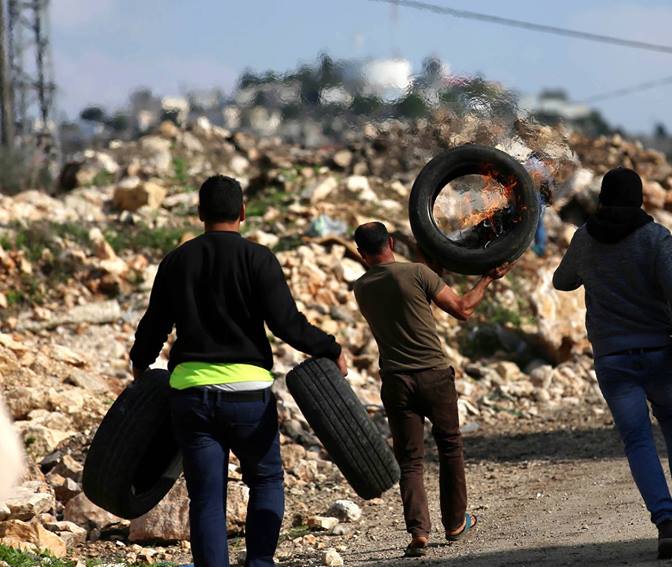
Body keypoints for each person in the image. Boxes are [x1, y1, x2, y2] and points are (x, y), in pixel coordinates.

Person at [129, 175, 345, 567]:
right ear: (243, 212)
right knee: (264, 480)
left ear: (199, 214)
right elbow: (287, 324)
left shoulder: (177, 260)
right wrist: (330, 349)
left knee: (206, 497)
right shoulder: (258, 258)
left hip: (191, 396)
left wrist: (140, 364)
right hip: (248, 394)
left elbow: (154, 325)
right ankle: (259, 562)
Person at [552, 167, 672, 560]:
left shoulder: (585, 238)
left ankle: (665, 522)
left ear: (603, 199)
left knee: (637, 440)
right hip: (658, 351)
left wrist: (592, 269)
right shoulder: (653, 235)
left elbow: (562, 282)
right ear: (640, 198)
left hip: (613, 358)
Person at [352, 222, 511, 558]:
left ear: (361, 254)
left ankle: (418, 532)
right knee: (450, 446)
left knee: (410, 460)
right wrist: (487, 279)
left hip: (395, 381)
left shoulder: (361, 287)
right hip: (433, 376)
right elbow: (463, 308)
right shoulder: (417, 273)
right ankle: (455, 523)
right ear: (391, 242)